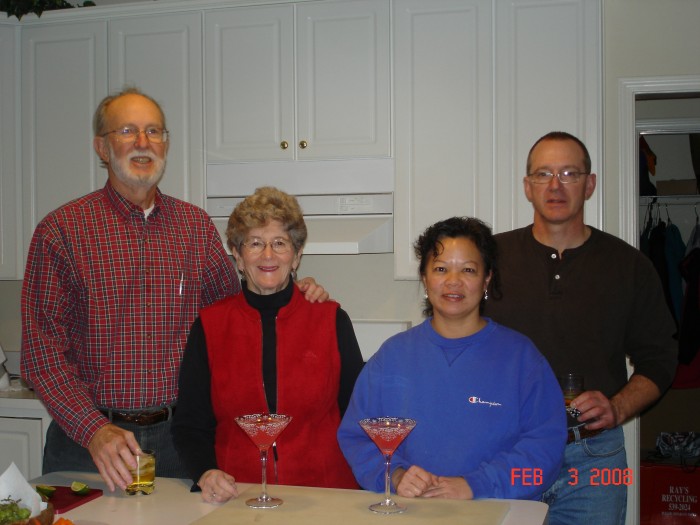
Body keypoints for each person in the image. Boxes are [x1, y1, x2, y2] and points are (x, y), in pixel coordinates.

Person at [20, 88, 327, 493]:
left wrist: (293, 291)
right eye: (127, 131)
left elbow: (237, 313)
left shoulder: (194, 228)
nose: (143, 143)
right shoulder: (61, 231)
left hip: (179, 445)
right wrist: (94, 431)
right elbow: (41, 355)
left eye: (154, 132)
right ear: (101, 146)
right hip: (88, 443)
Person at [484, 131, 678, 525]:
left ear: (589, 185)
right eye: (543, 174)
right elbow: (452, 333)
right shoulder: (490, 259)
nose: (555, 185)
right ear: (527, 186)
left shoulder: (630, 266)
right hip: (505, 452)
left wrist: (618, 406)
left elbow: (660, 359)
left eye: (570, 173)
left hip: (594, 461)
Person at [337, 217, 566, 501]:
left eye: (468, 270)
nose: (453, 281)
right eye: (441, 268)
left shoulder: (521, 358)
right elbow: (357, 437)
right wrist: (394, 476)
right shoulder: (392, 356)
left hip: (497, 511)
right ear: (424, 277)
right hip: (412, 513)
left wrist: (476, 485)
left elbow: (545, 451)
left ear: (487, 278)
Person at [172, 186, 365, 503]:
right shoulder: (209, 325)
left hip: (325, 495)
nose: (268, 255)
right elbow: (190, 424)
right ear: (237, 253)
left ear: (297, 254)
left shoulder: (331, 319)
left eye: (280, 243)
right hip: (238, 494)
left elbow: (357, 414)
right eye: (255, 243)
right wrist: (206, 471)